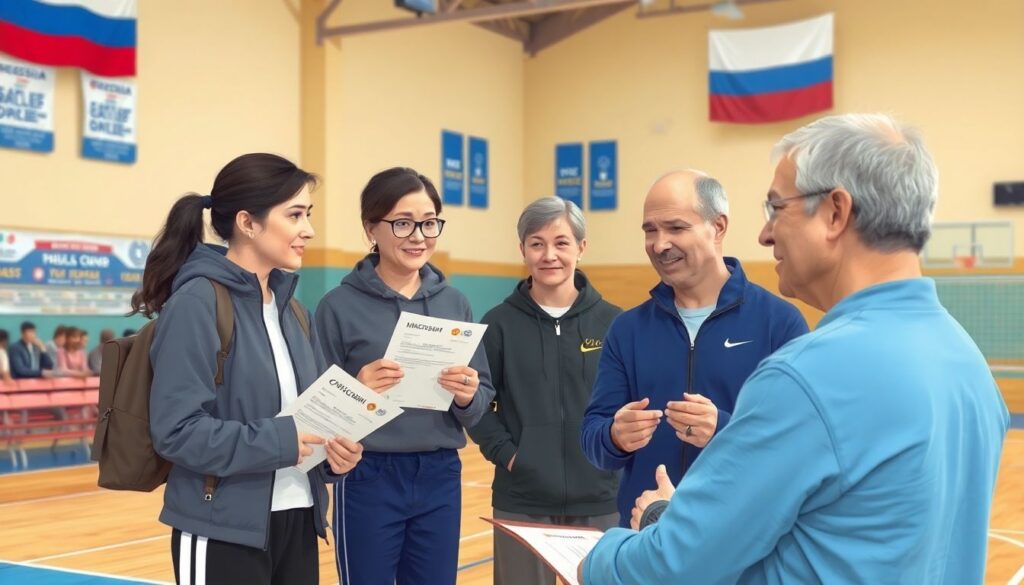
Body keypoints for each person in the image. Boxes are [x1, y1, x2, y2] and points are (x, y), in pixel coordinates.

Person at [580, 114, 1011, 584]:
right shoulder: (968, 363)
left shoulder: (805, 376)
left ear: (834, 213)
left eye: (776, 208)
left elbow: (672, 565)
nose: (765, 234)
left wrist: (620, 546)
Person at [137, 153, 364, 585]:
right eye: (295, 214)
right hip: (221, 526)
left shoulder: (293, 310)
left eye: (308, 214)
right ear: (248, 222)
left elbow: (307, 419)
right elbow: (176, 431)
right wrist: (283, 439)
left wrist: (333, 454)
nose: (308, 230)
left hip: (297, 517)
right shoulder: (197, 303)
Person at [580, 169, 807, 527]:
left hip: (740, 539)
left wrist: (723, 430)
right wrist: (614, 436)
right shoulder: (627, 330)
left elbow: (798, 445)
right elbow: (593, 436)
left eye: (675, 228)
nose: (659, 244)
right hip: (646, 536)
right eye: (650, 230)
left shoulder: (779, 323)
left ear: (717, 227)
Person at [315, 167, 495, 585]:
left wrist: (468, 395)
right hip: (367, 475)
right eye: (402, 223)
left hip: (439, 473)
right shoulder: (337, 307)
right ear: (370, 229)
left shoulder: (456, 303)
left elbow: (482, 397)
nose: (419, 235)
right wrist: (357, 391)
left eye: (429, 222)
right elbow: (316, 408)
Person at [468, 197, 623, 585]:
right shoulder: (498, 325)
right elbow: (476, 404)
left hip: (601, 499)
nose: (549, 254)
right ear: (522, 250)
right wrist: (509, 455)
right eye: (536, 243)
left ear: (581, 248)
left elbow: (631, 403)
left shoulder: (615, 323)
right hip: (522, 499)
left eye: (561, 242)